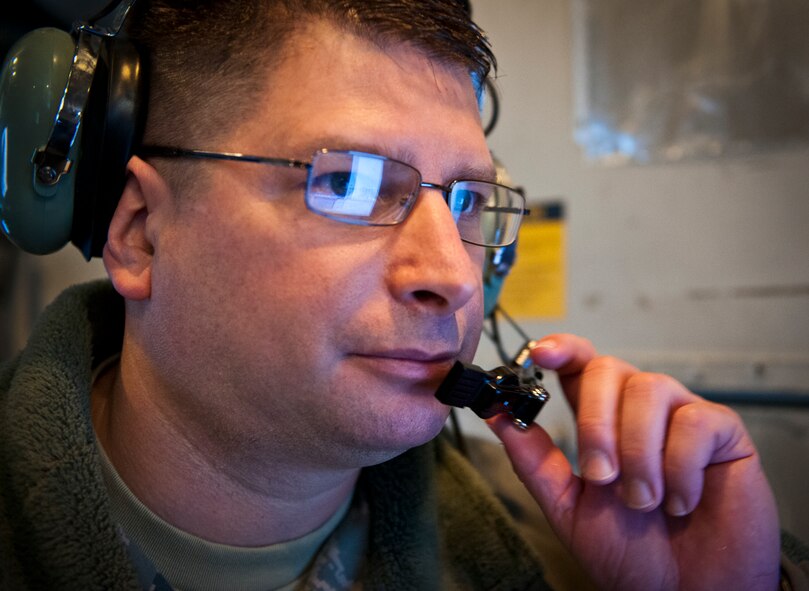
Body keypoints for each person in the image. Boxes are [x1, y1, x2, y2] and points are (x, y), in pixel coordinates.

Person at [0, 1, 807, 589]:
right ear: (140, 231)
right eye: (348, 183)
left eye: (464, 203)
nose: (454, 275)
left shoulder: (589, 556)